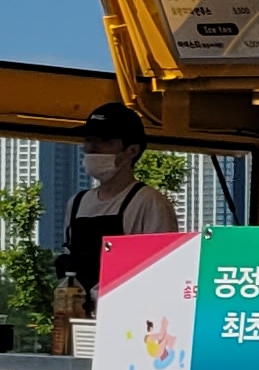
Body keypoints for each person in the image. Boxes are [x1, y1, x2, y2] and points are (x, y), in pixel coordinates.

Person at [63, 102, 177, 305]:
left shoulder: (150, 203)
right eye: (88, 140)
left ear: (131, 151)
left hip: (128, 315)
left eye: (104, 141)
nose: (92, 148)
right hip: (76, 313)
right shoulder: (77, 204)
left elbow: (161, 272)